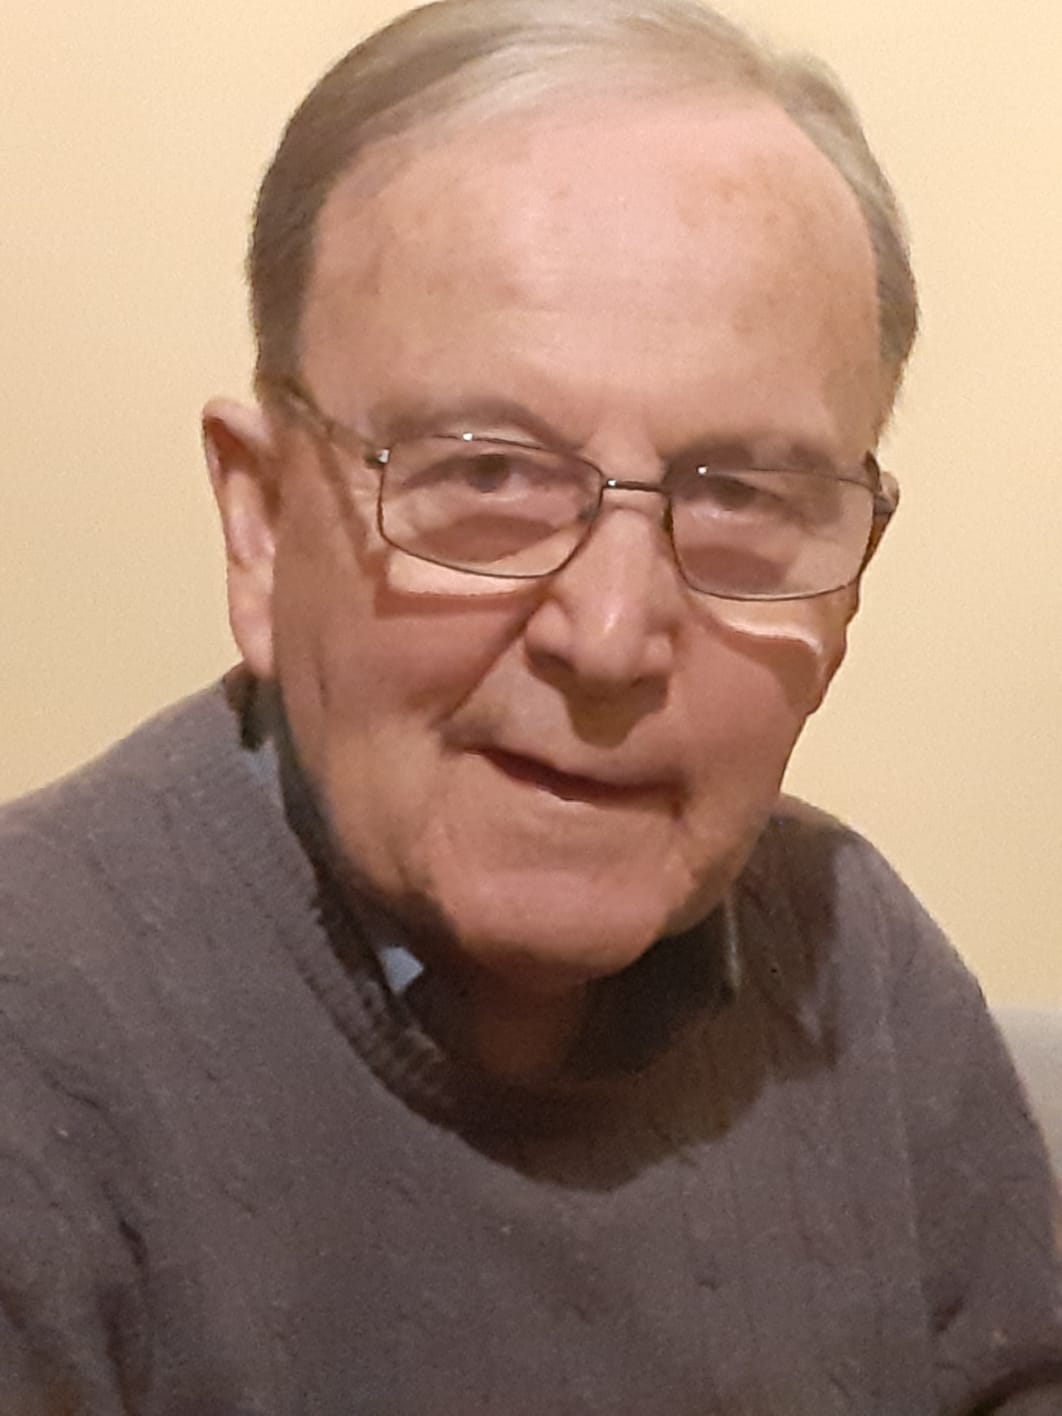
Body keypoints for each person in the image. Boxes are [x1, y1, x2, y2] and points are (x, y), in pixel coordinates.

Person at [1, 0, 1059, 1410]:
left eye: (742, 496)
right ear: (260, 524)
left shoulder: (856, 970)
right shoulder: (38, 1047)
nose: (609, 636)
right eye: (485, 474)